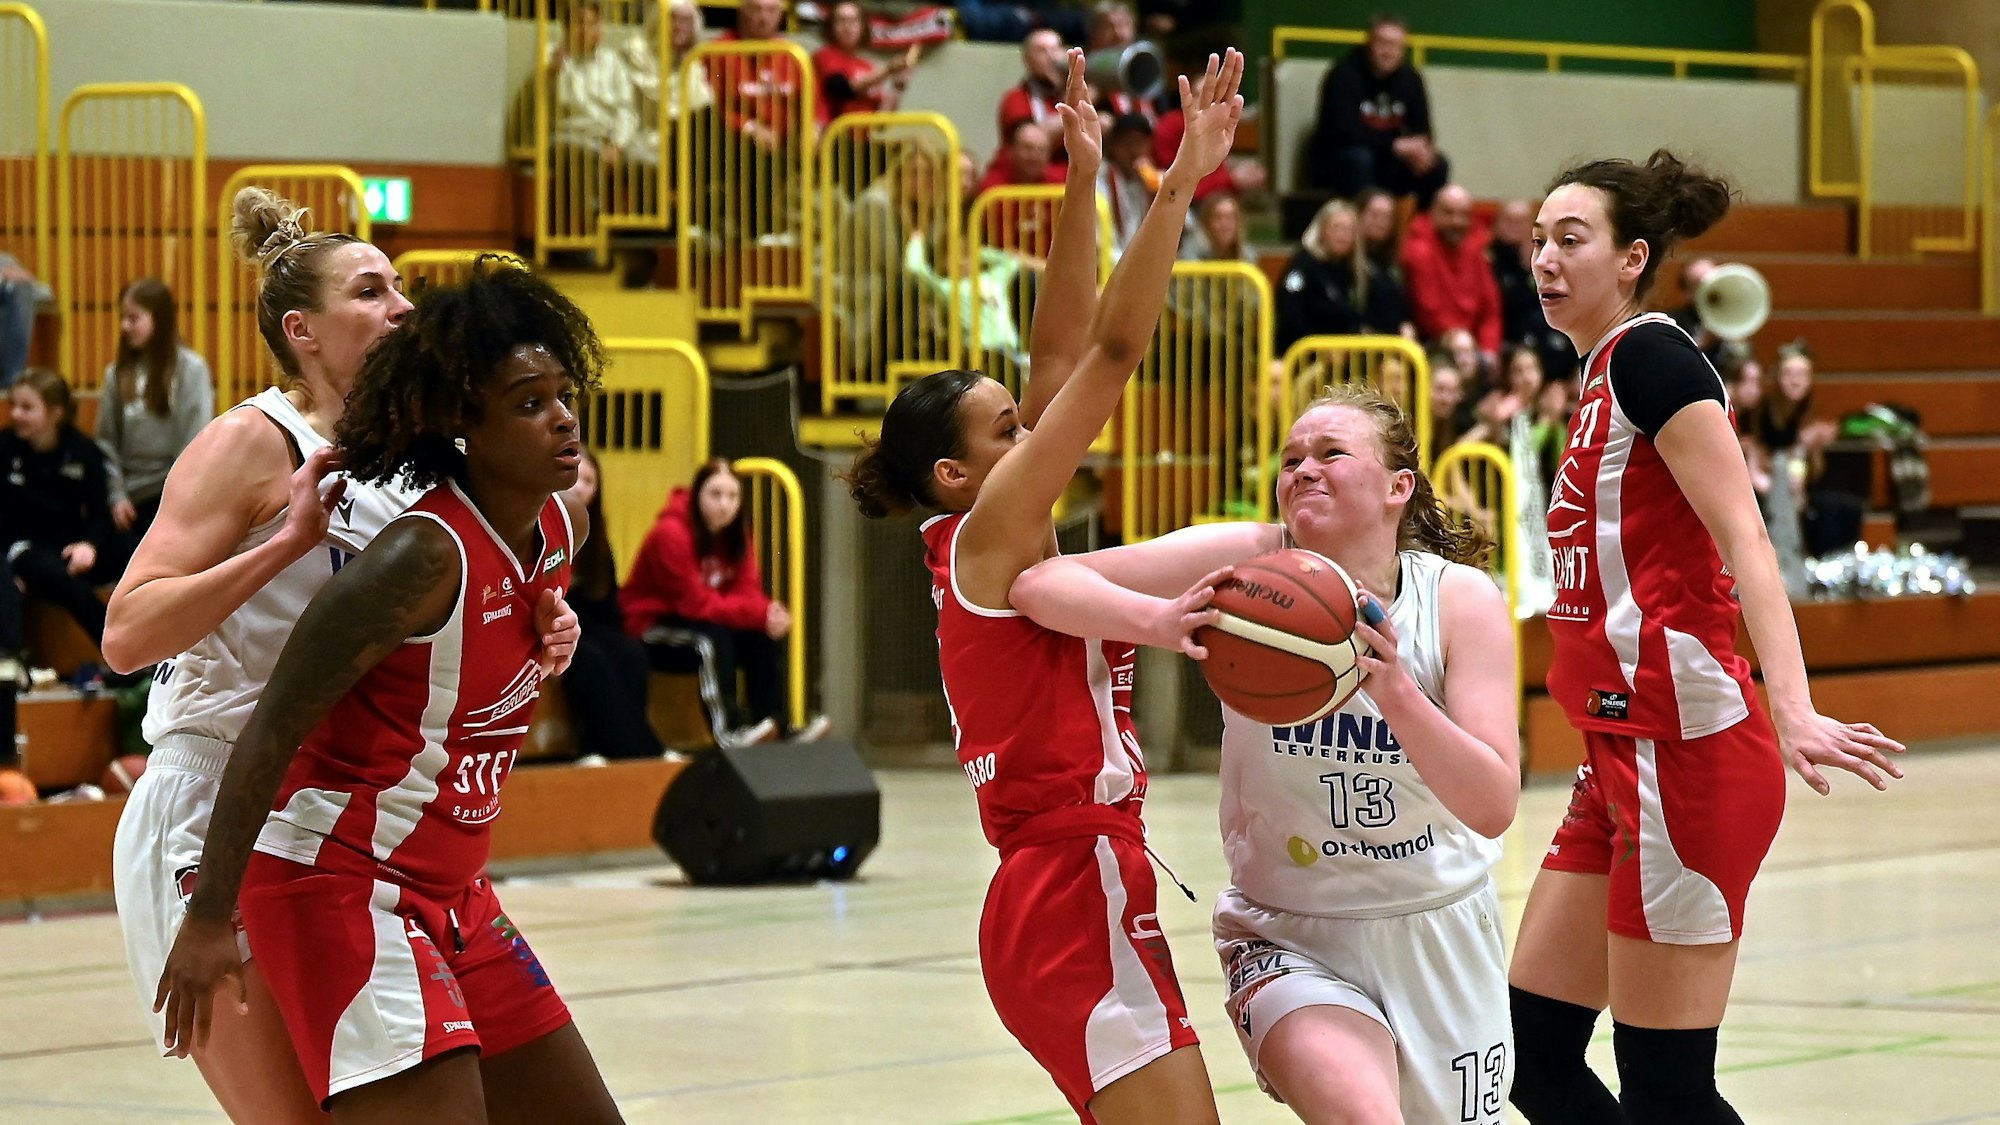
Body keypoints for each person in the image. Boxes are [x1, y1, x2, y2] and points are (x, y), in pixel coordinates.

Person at [103, 191, 578, 1125]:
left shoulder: (417, 451)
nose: (400, 306)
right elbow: (127, 631)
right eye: (369, 291)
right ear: (302, 330)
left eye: (399, 286)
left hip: (345, 813)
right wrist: (281, 542)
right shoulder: (252, 440)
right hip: (216, 804)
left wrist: (543, 621)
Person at [843, 48, 1243, 1125]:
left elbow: (1062, 353)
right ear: (954, 474)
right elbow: (1111, 355)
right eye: (1007, 429)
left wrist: (1077, 175)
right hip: (1070, 890)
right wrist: (1175, 183)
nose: (1033, 427)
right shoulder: (987, 540)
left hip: (1066, 884)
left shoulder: (993, 538)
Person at [1507, 150, 1906, 1125]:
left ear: (1631, 255)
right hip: (1616, 756)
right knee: (1532, 1056)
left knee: (1667, 1092)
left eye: (1570, 239)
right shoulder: (1594, 376)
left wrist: (1794, 707)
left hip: (1683, 756)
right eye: (1534, 242)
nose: (1545, 260)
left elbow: (1746, 541)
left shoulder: (1652, 359)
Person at [1010, 383, 1521, 1124]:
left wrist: (1397, 689)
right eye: (1290, 459)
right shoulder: (1245, 563)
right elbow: (1038, 584)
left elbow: (1494, 804)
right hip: (1287, 932)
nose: (1303, 469)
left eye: (1331, 453)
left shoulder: (1458, 600)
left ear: (1397, 487)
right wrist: (1160, 619)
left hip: (1436, 928)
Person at [621, 457, 827, 747]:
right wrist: (758, 613)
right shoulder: (670, 534)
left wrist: (765, 615)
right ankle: (729, 732)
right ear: (696, 496)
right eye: (715, 494)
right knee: (710, 642)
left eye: (732, 496)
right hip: (651, 624)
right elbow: (694, 604)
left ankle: (777, 726)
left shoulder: (736, 534)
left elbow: (747, 590)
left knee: (759, 638)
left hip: (700, 621)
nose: (724, 504)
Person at [98, 278, 215, 568]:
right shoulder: (116, 374)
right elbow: (106, 441)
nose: (125, 326)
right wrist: (116, 495)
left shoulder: (191, 369)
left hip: (171, 497)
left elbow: (194, 441)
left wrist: (174, 503)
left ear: (159, 319)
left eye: (134, 318)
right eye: (123, 318)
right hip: (127, 503)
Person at [560, 447, 667, 762]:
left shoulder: (596, 541)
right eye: (575, 478)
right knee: (588, 656)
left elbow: (606, 606)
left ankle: (601, 748)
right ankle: (644, 752)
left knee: (630, 653)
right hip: (548, 634)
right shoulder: (535, 528)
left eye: (589, 481)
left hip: (586, 630)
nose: (581, 487)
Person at [1, 368, 117, 652]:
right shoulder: (4, 447)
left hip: (70, 545)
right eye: (14, 405)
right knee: (63, 581)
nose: (16, 414)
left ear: (56, 413)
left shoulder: (82, 451)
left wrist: (89, 544)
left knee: (135, 550)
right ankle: (122, 651)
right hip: (23, 548)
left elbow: (100, 512)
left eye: (27, 407)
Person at [1305, 14, 1448, 208]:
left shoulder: (1411, 79)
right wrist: (1394, 145)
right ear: (1369, 43)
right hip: (1342, 160)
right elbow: (1341, 133)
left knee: (1435, 164)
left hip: (1391, 161)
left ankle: (1419, 233)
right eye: (1383, 43)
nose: (1388, 52)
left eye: (1395, 45)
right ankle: (1363, 229)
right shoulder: (1343, 76)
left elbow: (1422, 130)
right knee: (1360, 159)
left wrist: (1419, 151)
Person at [1402, 184, 1501, 355]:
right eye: (1448, 213)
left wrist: (1489, 349)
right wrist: (1461, 342)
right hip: (1431, 345)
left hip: (1469, 348)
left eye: (1464, 215)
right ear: (1433, 213)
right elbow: (1429, 316)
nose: (1457, 221)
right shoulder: (1418, 250)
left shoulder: (1476, 251)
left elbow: (1491, 311)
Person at [815, 0, 920, 121]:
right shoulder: (825, 55)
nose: (847, 26)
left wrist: (899, 85)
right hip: (835, 137)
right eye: (841, 20)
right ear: (831, 26)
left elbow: (881, 121)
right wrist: (888, 70)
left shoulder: (867, 66)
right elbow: (842, 90)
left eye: (853, 21)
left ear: (862, 26)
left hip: (864, 138)